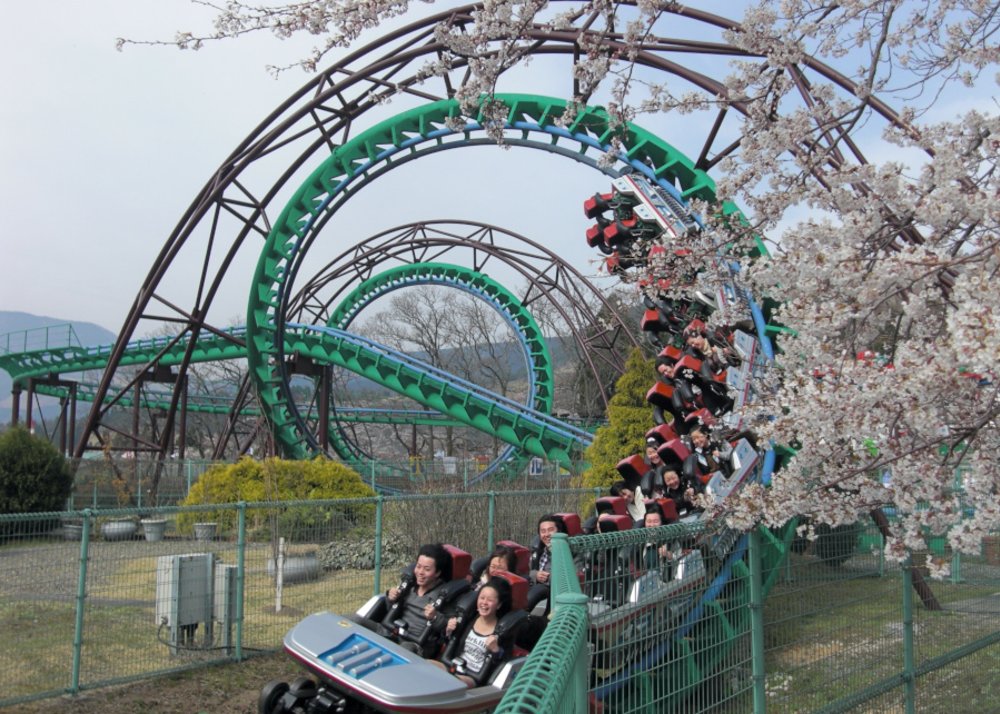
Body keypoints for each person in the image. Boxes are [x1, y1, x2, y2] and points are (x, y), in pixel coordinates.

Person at [351, 542, 450, 651]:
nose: (420, 572)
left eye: (427, 569)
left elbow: (446, 629)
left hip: (413, 644)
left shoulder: (444, 596)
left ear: (437, 573)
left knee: (404, 649)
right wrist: (391, 598)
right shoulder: (409, 586)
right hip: (391, 632)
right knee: (353, 620)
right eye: (418, 567)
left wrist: (434, 617)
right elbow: (389, 610)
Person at [433, 577, 514, 687]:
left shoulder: (503, 631)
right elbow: (449, 643)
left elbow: (504, 660)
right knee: (425, 665)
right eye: (482, 598)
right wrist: (449, 630)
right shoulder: (469, 619)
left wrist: (496, 650)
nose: (484, 603)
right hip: (453, 665)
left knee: (449, 682)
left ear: (499, 604)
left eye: (489, 600)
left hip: (472, 677)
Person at [529, 514, 566, 586]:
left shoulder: (570, 552)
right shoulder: (538, 552)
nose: (546, 534)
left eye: (551, 530)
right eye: (543, 531)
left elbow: (572, 575)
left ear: (559, 531)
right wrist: (535, 575)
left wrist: (547, 578)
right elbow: (525, 573)